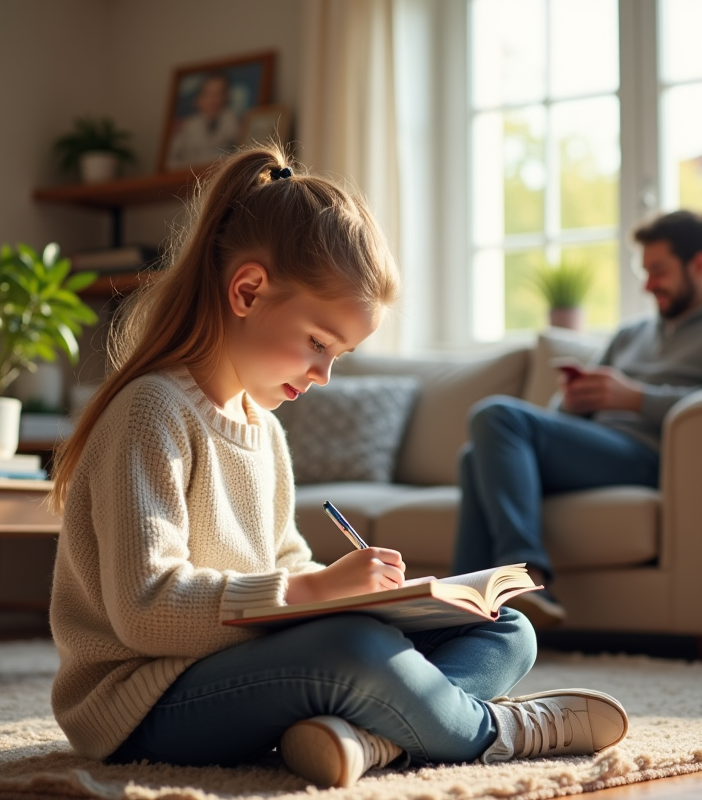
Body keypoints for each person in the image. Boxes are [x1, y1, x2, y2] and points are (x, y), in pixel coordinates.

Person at [47, 145, 630, 789]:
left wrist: (366, 595)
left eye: (340, 355)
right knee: (352, 651)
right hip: (144, 704)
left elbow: (287, 567)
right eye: (319, 344)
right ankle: (492, 732)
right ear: (247, 290)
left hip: (247, 667)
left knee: (506, 629)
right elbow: (146, 611)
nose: (324, 375)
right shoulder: (148, 411)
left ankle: (367, 740)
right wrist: (316, 596)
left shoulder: (263, 430)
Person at [451, 210, 702, 630]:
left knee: (495, 413)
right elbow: (557, 414)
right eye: (645, 272)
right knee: (475, 455)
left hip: (653, 456)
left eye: (658, 270)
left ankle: (527, 576)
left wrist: (636, 398)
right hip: (596, 447)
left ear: (699, 264)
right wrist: (577, 399)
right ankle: (463, 616)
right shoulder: (630, 334)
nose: (647, 284)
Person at [166, 72, 243, 170]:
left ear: (226, 97)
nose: (213, 100)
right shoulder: (187, 125)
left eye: (218, 94)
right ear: (198, 99)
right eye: (208, 94)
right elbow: (170, 162)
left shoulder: (233, 121)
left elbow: (241, 152)